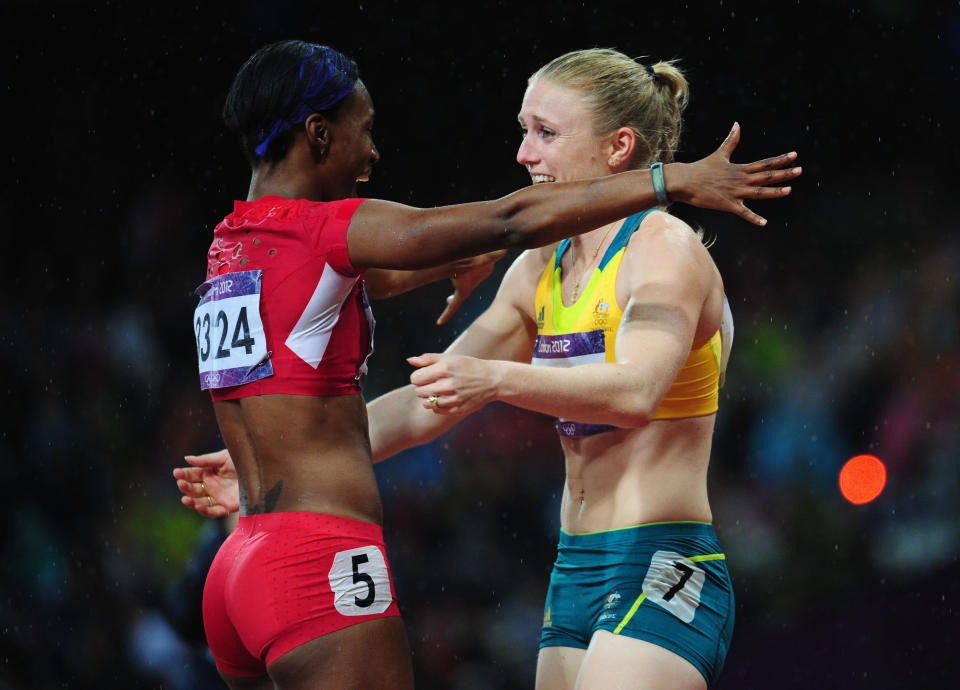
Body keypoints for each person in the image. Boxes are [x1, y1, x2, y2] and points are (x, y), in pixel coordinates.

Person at [178, 40, 800, 690]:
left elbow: (636, 392)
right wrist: (274, 458)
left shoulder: (663, 249)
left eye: (545, 133)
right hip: (574, 571)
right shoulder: (540, 268)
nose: (523, 154)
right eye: (523, 131)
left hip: (659, 555)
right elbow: (428, 401)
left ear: (617, 150)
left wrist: (497, 379)